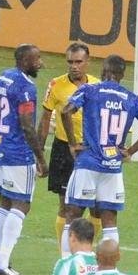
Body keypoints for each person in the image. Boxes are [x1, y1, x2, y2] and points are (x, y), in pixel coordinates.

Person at [59, 55, 138, 250]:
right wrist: (129, 151)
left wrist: (72, 143)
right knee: (110, 222)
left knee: (72, 215)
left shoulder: (90, 90)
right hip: (112, 167)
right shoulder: (131, 99)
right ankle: (107, 269)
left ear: (103, 71)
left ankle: (68, 267)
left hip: (88, 163)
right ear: (122, 75)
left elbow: (65, 111)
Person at [0, 44, 47, 275]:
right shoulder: (25, 86)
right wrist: (41, 158)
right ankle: (2, 264)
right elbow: (26, 124)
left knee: (4, 202)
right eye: (37, 59)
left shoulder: (2, 77)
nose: (40, 63)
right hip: (17, 153)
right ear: (24, 61)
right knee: (22, 204)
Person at [37, 41, 101, 257]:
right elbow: (45, 119)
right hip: (64, 150)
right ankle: (64, 258)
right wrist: (39, 154)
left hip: (92, 151)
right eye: (70, 62)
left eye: (78, 62)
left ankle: (88, 254)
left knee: (97, 207)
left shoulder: (97, 85)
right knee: (66, 205)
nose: (74, 66)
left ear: (88, 62)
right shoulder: (56, 85)